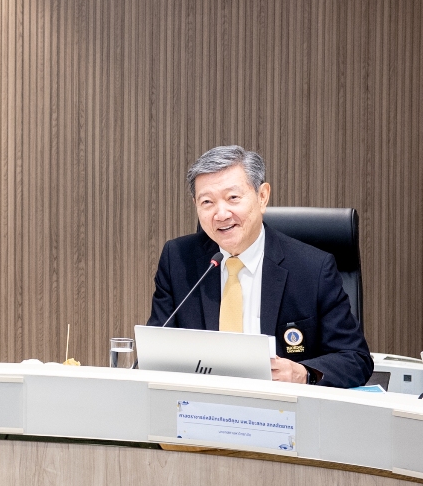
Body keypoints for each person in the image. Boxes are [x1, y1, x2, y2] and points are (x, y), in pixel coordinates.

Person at [146, 145, 372, 387]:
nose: (221, 214)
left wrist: (303, 374)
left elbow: (355, 359)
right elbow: (155, 355)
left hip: (281, 406)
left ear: (262, 196)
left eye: (233, 198)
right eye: (207, 202)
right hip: (199, 403)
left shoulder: (312, 269)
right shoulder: (178, 260)